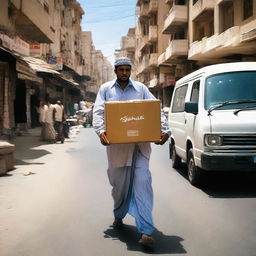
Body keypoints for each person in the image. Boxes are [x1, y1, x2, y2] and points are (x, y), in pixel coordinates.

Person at [93, 57, 171, 247]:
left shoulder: (141, 89)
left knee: (142, 182)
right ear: (116, 71)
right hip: (118, 149)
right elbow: (98, 112)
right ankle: (119, 215)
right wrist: (101, 131)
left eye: (128, 70)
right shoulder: (105, 89)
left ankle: (145, 231)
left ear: (130, 71)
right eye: (121, 70)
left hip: (140, 147)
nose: (125, 73)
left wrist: (165, 130)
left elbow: (155, 110)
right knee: (118, 186)